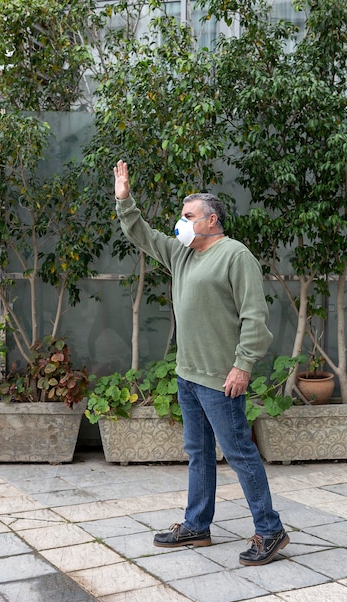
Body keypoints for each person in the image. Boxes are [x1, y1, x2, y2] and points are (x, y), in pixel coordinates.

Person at [113, 159, 289, 566]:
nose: (181, 222)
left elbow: (254, 317)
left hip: (220, 377)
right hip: (188, 375)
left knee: (240, 452)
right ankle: (197, 525)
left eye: (188, 216)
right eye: (181, 216)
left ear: (211, 220)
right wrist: (125, 200)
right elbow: (143, 234)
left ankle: (270, 529)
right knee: (199, 453)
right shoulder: (181, 254)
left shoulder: (235, 255)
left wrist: (243, 365)